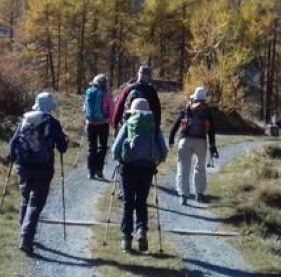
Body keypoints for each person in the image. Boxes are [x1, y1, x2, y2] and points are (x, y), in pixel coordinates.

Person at [8, 91, 69, 254]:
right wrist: (65, 141)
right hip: (43, 167)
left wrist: (12, 157)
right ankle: (26, 238)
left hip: (23, 166)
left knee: (26, 198)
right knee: (36, 202)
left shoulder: (25, 120)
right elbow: (62, 147)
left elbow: (13, 143)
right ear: (49, 107)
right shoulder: (52, 122)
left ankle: (24, 231)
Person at [111, 97, 168, 252]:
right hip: (147, 169)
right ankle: (141, 230)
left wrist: (119, 159)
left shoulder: (128, 124)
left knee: (128, 203)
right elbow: (164, 152)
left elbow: (115, 150)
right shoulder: (154, 126)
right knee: (141, 202)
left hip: (127, 168)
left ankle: (126, 240)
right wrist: (156, 162)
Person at [169, 86, 218, 205]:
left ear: (195, 97)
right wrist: (212, 146)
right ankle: (199, 194)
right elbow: (211, 130)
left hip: (185, 141)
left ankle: (183, 195)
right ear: (204, 98)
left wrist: (171, 139)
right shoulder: (207, 111)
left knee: (183, 168)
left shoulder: (187, 108)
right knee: (200, 168)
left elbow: (176, 125)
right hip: (200, 142)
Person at [112, 65, 163, 132]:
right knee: (160, 138)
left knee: (120, 139)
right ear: (148, 77)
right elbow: (157, 110)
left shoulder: (128, 88)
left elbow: (120, 105)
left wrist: (115, 124)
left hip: (129, 123)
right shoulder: (151, 90)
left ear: (138, 74)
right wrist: (157, 126)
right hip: (147, 124)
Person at [84, 73, 114, 179]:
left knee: (91, 148)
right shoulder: (107, 94)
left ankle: (91, 172)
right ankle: (99, 170)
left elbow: (85, 108)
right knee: (103, 147)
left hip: (90, 123)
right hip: (103, 124)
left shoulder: (89, 92)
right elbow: (111, 109)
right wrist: (112, 122)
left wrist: (87, 120)